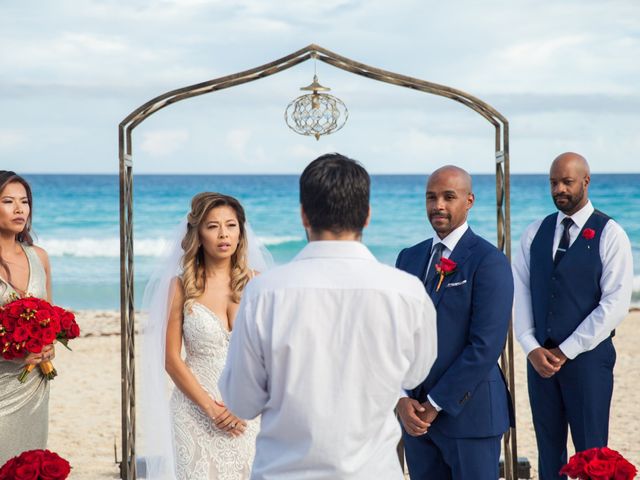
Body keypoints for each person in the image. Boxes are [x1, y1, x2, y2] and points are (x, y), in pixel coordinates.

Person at [219, 153, 438, 480]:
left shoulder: (265, 293)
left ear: (304, 216)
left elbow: (242, 400)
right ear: (367, 215)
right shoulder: (406, 292)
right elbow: (415, 374)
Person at [513, 152, 633, 480]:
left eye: (567, 181)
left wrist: (566, 349)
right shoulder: (534, 233)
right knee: (548, 449)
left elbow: (615, 304)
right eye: (554, 182)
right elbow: (520, 293)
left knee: (592, 452)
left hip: (589, 361)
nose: (559, 189)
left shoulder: (611, 234)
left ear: (586, 181)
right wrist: (530, 345)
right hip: (540, 363)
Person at [139, 192, 272, 480]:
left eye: (231, 225)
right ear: (198, 233)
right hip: (194, 413)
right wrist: (212, 409)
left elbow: (269, 357)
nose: (223, 234)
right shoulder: (180, 287)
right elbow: (172, 360)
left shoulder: (258, 283)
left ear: (241, 231)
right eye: (212, 226)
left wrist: (244, 408)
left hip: (248, 415)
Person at [395, 165, 514, 480]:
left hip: (470, 417)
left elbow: (486, 346)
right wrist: (402, 397)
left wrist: (435, 403)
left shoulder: (490, 261)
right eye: (431, 197)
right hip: (415, 420)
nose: (438, 206)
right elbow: (396, 335)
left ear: (470, 201)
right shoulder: (408, 258)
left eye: (449, 197)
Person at [0, 170, 55, 464]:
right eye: (9, 201)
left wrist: (49, 345)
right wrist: (14, 350)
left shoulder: (39, 256)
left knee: (30, 465)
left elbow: (51, 320)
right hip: (1, 384)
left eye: (24, 201)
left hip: (34, 384)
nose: (20, 209)